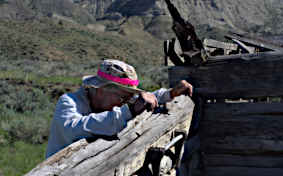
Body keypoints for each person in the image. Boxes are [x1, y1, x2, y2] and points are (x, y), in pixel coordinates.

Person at [45, 59, 193, 158]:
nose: (125, 102)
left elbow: (142, 100)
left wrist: (170, 94)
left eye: (129, 97)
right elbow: (75, 127)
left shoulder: (114, 99)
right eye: (123, 98)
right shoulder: (69, 102)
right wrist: (129, 111)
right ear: (101, 89)